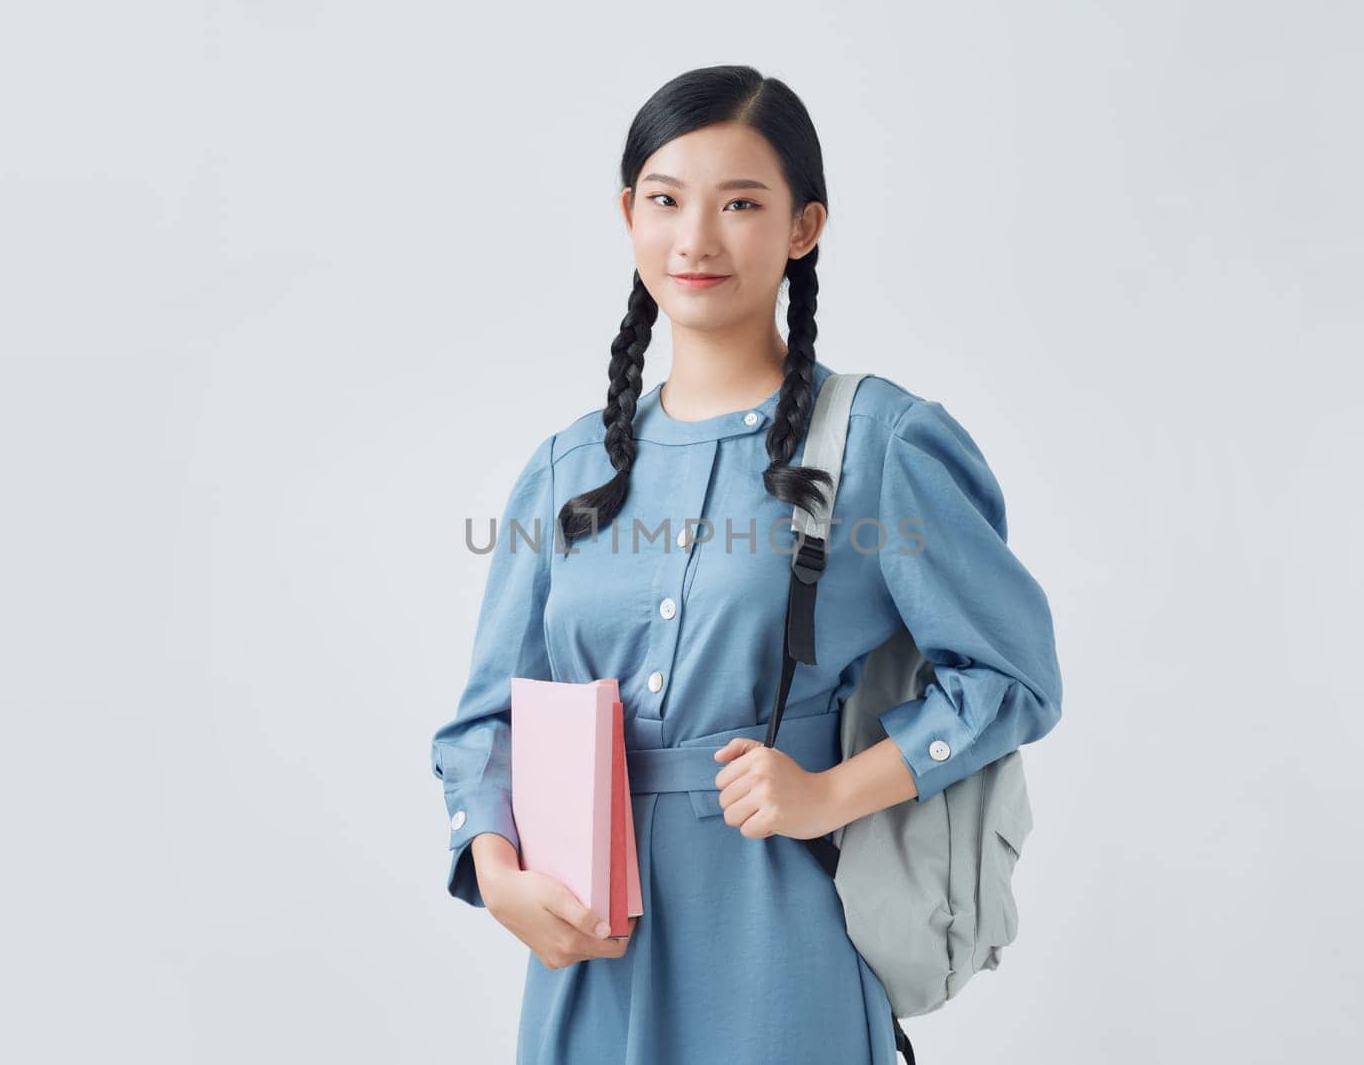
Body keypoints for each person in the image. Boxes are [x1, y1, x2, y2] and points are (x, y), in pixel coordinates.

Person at [430, 64, 1064, 1064]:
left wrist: (829, 792)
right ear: (627, 214)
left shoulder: (883, 443)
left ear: (803, 226)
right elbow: (485, 721)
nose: (695, 239)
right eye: (665, 200)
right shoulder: (564, 469)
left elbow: (1010, 679)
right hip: (589, 942)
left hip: (783, 937)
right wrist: (498, 869)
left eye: (739, 204)